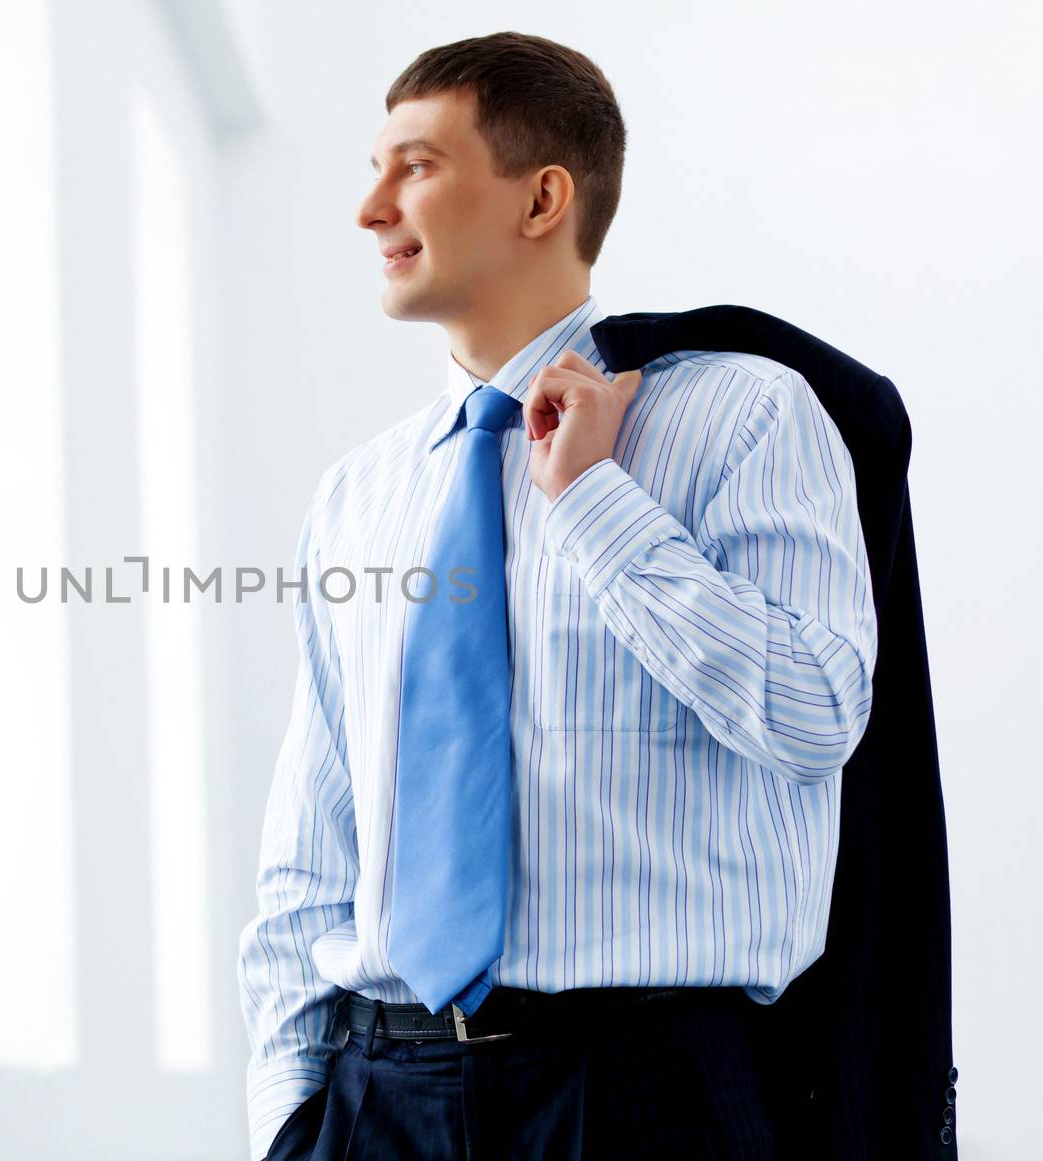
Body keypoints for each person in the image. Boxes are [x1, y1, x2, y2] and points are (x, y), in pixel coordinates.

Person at [235, 30, 878, 1161]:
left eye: (417, 166)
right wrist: (291, 1118)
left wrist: (590, 500)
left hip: (645, 1098)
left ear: (541, 199)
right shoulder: (359, 497)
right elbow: (316, 845)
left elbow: (812, 715)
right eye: (371, 168)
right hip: (376, 1098)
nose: (369, 209)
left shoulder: (742, 417)